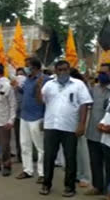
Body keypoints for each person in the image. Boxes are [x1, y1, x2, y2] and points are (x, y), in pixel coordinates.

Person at [39, 60, 93, 197]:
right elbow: (41, 100)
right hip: (51, 126)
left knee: (70, 158)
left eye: (65, 69)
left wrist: (81, 124)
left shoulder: (78, 85)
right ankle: (46, 184)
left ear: (69, 70)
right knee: (49, 157)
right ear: (56, 71)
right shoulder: (49, 84)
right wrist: (38, 87)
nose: (63, 72)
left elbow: (84, 105)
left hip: (70, 127)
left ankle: (69, 187)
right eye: (60, 70)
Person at [16, 58, 49, 183]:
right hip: (24, 116)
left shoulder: (45, 80)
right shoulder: (27, 79)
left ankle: (42, 173)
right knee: (25, 144)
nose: (25, 68)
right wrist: (17, 87)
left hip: (37, 117)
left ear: (34, 67)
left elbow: (47, 100)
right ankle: (27, 170)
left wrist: (45, 119)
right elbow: (24, 92)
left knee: (40, 147)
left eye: (27, 66)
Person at [85, 63, 110, 196]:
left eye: (105, 72)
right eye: (100, 72)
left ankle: (108, 191)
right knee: (95, 161)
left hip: (107, 134)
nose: (101, 75)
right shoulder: (94, 89)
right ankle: (97, 187)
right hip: (93, 132)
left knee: (108, 164)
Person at [12, 67, 27, 162]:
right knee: (18, 136)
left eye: (21, 74)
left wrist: (19, 87)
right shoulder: (12, 86)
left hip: (26, 115)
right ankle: (19, 156)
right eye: (18, 74)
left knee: (26, 137)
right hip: (16, 114)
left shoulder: (27, 85)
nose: (19, 76)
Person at [97, 105, 110, 200]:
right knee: (108, 169)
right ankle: (108, 193)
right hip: (106, 141)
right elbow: (107, 114)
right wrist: (101, 124)